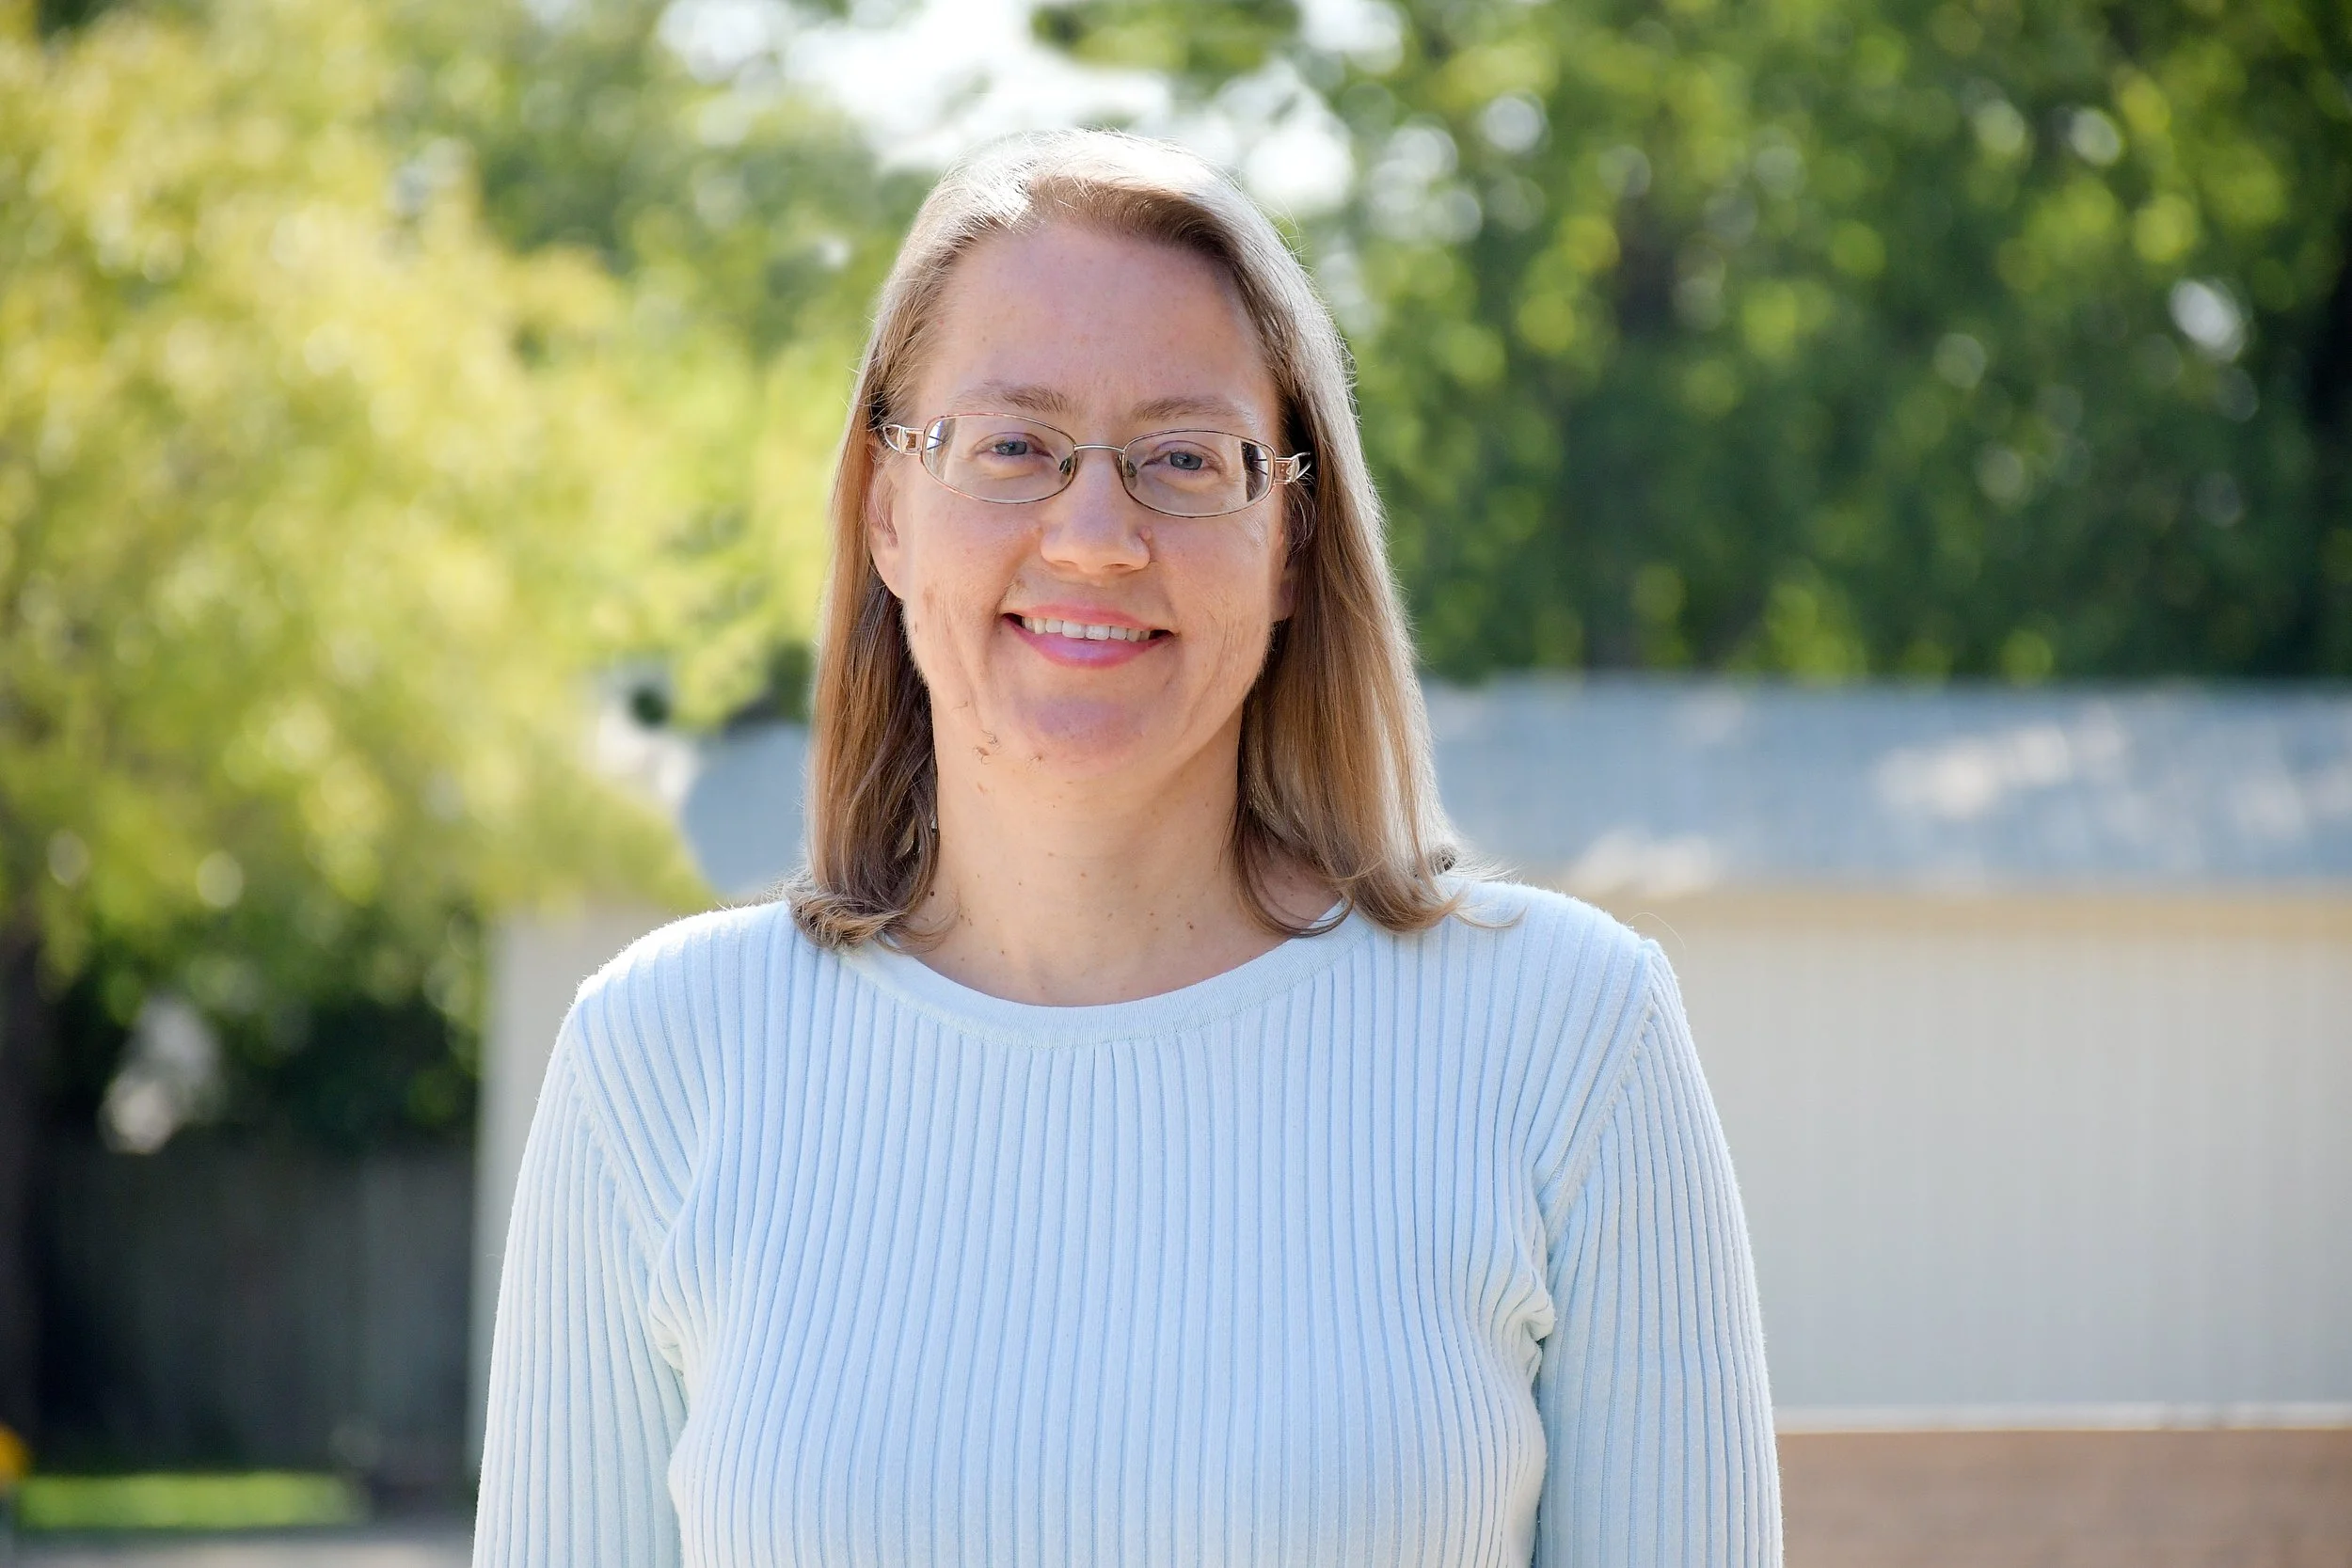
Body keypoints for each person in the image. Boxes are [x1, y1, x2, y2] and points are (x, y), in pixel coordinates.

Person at [475, 129, 1779, 1567]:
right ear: (889, 508)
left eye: (1181, 457)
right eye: (1016, 446)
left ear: (1290, 539)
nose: (1095, 535)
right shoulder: (659, 1061)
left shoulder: (1567, 1038)